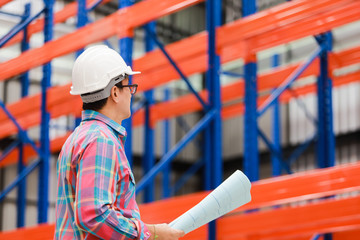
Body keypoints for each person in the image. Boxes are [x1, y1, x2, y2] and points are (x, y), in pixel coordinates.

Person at [54, 45, 184, 240]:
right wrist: (152, 233)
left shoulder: (76, 139)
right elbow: (94, 214)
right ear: (115, 92)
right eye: (129, 86)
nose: (131, 93)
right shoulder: (101, 140)